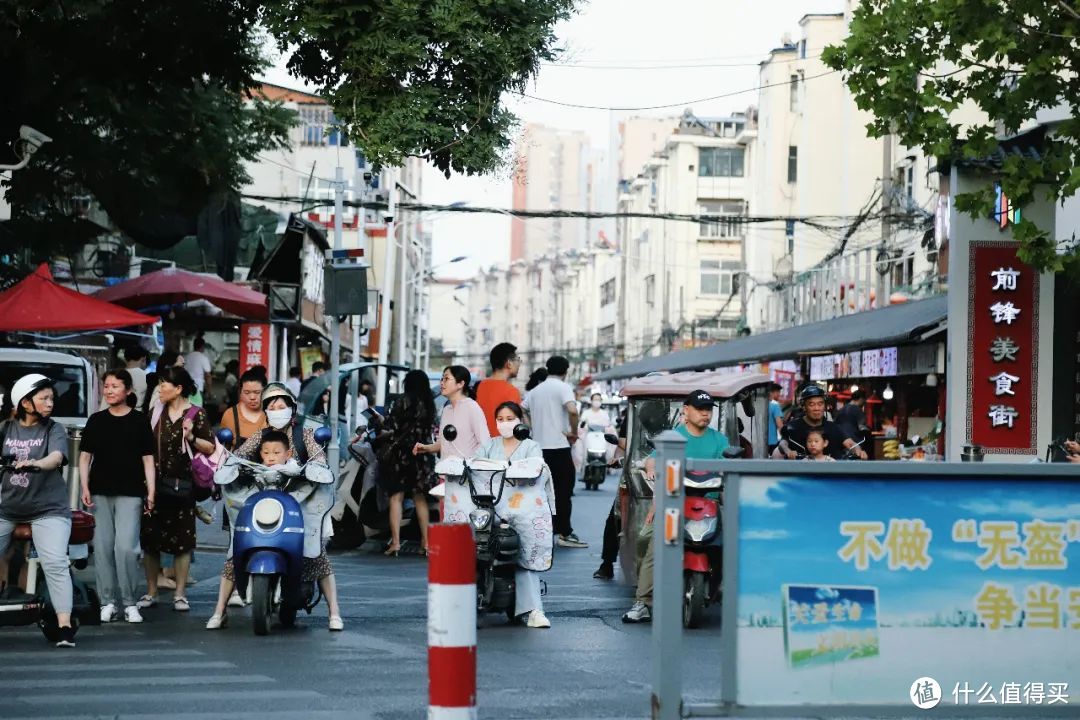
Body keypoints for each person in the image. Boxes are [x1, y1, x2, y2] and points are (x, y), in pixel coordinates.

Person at [206, 384, 343, 630]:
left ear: (291, 408)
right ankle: (219, 610)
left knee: (316, 554)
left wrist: (310, 468)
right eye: (271, 406)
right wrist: (231, 465)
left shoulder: (306, 434)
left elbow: (319, 460)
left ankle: (335, 612)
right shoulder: (261, 435)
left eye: (282, 406)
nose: (277, 410)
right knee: (235, 550)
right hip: (265, 498)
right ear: (266, 411)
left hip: (302, 499)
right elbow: (239, 455)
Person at [623, 390, 729, 624]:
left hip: (709, 503)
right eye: (700, 409)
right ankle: (643, 602)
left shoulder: (719, 440)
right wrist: (651, 467)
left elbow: (729, 462)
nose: (705, 413)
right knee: (652, 545)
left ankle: (726, 591)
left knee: (732, 542)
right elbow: (653, 458)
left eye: (708, 410)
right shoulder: (674, 438)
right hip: (674, 503)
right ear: (686, 410)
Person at [0, 374, 76, 647]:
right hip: (6, 508)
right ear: (25, 402)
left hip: (48, 509)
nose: (49, 403)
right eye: (43, 398)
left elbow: (56, 457)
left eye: (51, 398)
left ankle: (64, 625)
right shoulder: (5, 429)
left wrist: (37, 463)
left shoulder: (53, 429)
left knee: (55, 562)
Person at [79, 369, 156, 624]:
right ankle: (107, 602)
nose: (109, 390)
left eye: (115, 386)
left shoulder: (139, 421)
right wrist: (84, 486)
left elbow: (148, 459)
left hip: (131, 491)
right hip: (100, 490)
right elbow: (84, 457)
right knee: (102, 549)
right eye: (107, 386)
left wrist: (151, 491)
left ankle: (130, 602)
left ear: (128, 391)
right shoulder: (96, 420)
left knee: (126, 548)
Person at [138, 366, 214, 613]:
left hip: (183, 486)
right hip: (154, 486)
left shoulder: (196, 414)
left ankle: (180, 594)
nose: (161, 388)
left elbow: (210, 448)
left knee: (183, 541)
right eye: (160, 383)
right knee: (150, 540)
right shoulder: (154, 413)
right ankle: (151, 592)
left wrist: (191, 437)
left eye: (165, 384)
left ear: (179, 388)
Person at [473, 401, 555, 628]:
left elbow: (536, 469)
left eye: (510, 419)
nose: (505, 423)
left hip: (523, 510)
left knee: (526, 554)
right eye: (501, 419)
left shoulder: (531, 446)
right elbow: (474, 465)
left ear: (520, 421)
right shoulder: (489, 445)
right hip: (491, 508)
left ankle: (534, 609)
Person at [522, 356, 585, 548]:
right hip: (559, 448)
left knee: (540, 493)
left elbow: (522, 409)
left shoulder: (535, 391)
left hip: (538, 450)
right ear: (566, 371)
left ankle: (540, 531)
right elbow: (573, 411)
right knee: (563, 492)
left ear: (548, 369)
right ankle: (564, 533)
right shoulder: (563, 387)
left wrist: (532, 428)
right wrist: (573, 433)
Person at [377, 370, 437, 556]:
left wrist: (380, 421)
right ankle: (426, 543)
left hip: (400, 455)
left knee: (397, 498)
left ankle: (395, 543)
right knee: (420, 499)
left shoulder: (401, 401)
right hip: (421, 454)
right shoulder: (429, 403)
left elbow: (391, 427)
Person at [415, 366, 490, 461]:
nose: (442, 382)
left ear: (460, 384)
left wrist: (469, 463)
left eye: (446, 379)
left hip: (466, 473)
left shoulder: (472, 407)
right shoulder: (447, 410)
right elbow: (443, 443)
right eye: (442, 379)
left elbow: (485, 443)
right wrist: (426, 448)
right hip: (446, 472)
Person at [778, 386, 866, 460]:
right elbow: (783, 443)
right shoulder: (794, 427)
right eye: (811, 404)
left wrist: (858, 450)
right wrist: (788, 451)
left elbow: (850, 443)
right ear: (804, 407)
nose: (817, 408)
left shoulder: (833, 428)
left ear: (825, 406)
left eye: (820, 404)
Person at [476, 343, 522, 437]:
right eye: (518, 360)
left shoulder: (481, 386)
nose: (519, 364)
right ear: (508, 363)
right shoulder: (512, 391)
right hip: (504, 445)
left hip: (483, 445)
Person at [219, 369, 268, 448]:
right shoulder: (230, 415)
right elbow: (224, 448)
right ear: (240, 392)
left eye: (257, 392)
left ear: (265, 391)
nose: (252, 397)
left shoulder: (271, 413)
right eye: (247, 393)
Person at [766, 382, 784, 456]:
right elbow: (780, 425)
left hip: (760, 442)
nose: (779, 394)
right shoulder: (775, 405)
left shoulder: (759, 404)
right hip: (772, 442)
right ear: (772, 392)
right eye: (778, 392)